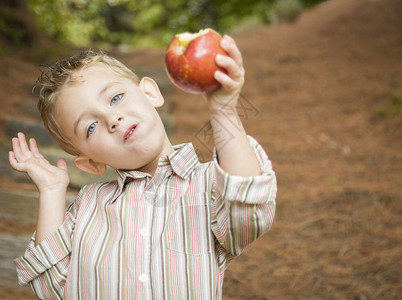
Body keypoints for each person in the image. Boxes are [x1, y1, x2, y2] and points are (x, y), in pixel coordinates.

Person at [9, 35, 277, 299]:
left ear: (150, 93)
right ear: (91, 162)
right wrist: (52, 191)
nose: (111, 118)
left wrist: (224, 109)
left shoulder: (208, 185)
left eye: (115, 98)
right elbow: (50, 286)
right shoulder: (87, 206)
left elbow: (248, 214)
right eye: (91, 127)